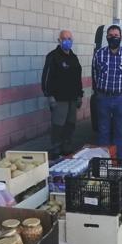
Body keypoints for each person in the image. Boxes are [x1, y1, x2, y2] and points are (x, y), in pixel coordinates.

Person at [92, 25, 122, 159]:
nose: (113, 38)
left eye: (116, 36)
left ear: (121, 37)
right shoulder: (99, 54)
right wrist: (100, 91)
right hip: (103, 98)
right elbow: (95, 74)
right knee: (103, 130)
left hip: (120, 99)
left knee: (119, 130)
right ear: (106, 37)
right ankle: (104, 161)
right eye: (110, 35)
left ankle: (118, 160)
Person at [41, 30, 83, 160]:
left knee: (70, 125)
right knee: (58, 126)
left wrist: (80, 95)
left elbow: (78, 78)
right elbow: (46, 78)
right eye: (64, 38)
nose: (67, 41)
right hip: (59, 99)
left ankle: (67, 148)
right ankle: (56, 149)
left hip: (72, 98)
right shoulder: (53, 57)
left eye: (69, 38)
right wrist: (49, 96)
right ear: (59, 40)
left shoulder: (74, 57)